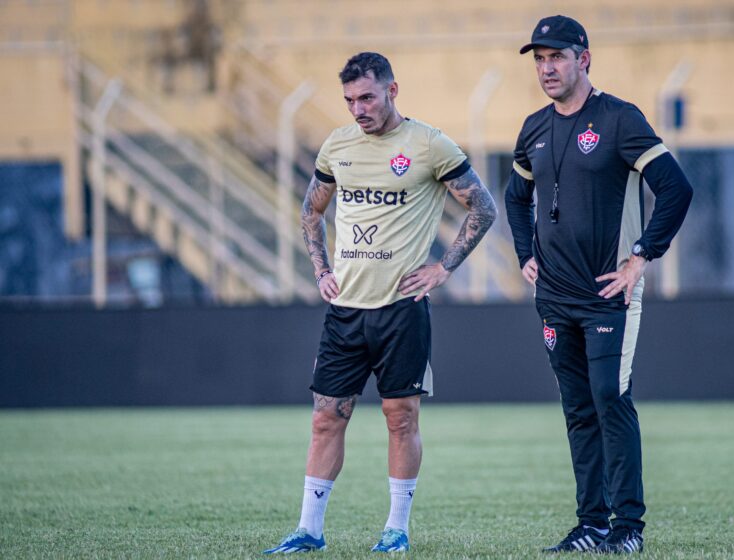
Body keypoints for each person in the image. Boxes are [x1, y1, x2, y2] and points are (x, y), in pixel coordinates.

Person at [263, 52, 497, 555]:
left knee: (400, 416)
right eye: (349, 100)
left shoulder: (429, 145)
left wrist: (444, 268)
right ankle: (309, 531)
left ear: (393, 91)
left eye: (367, 97)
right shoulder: (338, 144)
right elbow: (311, 211)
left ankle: (396, 531)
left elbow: (483, 205)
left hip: (401, 309)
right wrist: (322, 271)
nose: (358, 109)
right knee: (326, 417)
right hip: (346, 310)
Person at [505, 16, 693, 555]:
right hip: (554, 298)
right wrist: (525, 255)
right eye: (539, 59)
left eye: (556, 57)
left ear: (583, 58)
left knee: (610, 397)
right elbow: (516, 200)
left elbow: (676, 190)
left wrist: (640, 258)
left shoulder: (619, 119)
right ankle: (591, 524)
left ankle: (627, 528)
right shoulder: (534, 127)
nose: (547, 69)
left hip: (609, 292)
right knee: (578, 407)